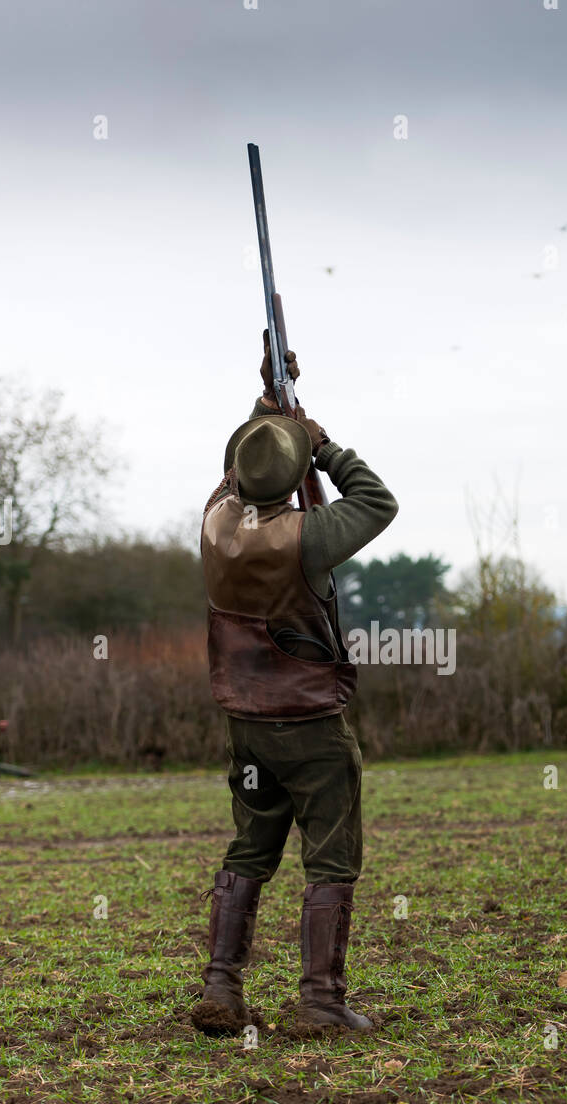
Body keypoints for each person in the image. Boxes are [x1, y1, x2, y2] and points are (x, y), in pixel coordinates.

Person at [192, 336, 398, 1036]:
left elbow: (239, 469)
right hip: (309, 724)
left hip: (245, 724)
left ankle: (222, 989)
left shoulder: (217, 521)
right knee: (331, 859)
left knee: (248, 852)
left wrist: (268, 404)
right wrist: (321, 441)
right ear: (292, 476)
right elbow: (377, 501)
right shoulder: (306, 538)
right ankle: (320, 1001)